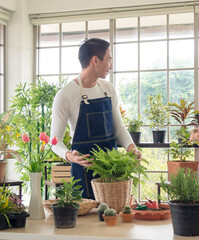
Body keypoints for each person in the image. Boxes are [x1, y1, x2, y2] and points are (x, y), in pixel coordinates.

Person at [50, 38, 141, 199]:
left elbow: (119, 128)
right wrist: (69, 155)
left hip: (112, 170)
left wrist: (131, 148)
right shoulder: (65, 95)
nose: (111, 66)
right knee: (87, 221)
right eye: (109, 60)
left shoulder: (108, 89)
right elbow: (54, 140)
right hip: (83, 172)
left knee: (114, 217)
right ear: (95, 60)